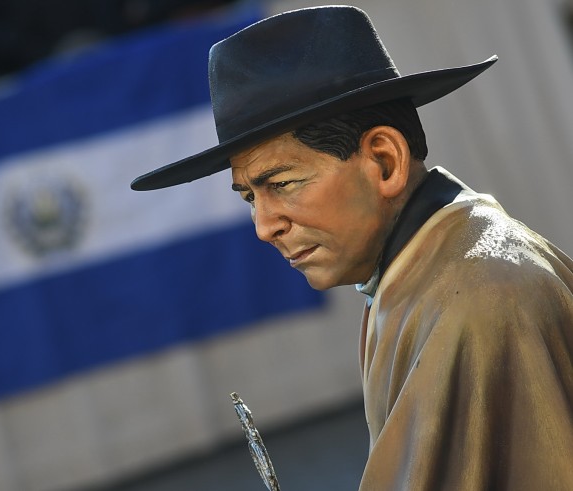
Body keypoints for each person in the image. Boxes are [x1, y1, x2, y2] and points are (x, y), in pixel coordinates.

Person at [130, 6, 573, 490]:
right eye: (250, 197)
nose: (264, 226)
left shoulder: (483, 297)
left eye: (282, 183)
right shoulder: (417, 272)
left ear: (384, 161)